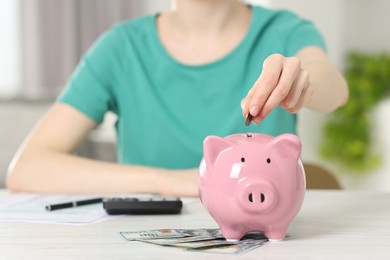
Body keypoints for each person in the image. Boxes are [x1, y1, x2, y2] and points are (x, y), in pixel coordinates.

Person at [6, 0, 348, 197]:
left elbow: (334, 88)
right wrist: (170, 181)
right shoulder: (120, 48)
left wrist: (306, 85)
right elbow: (27, 170)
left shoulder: (284, 31)